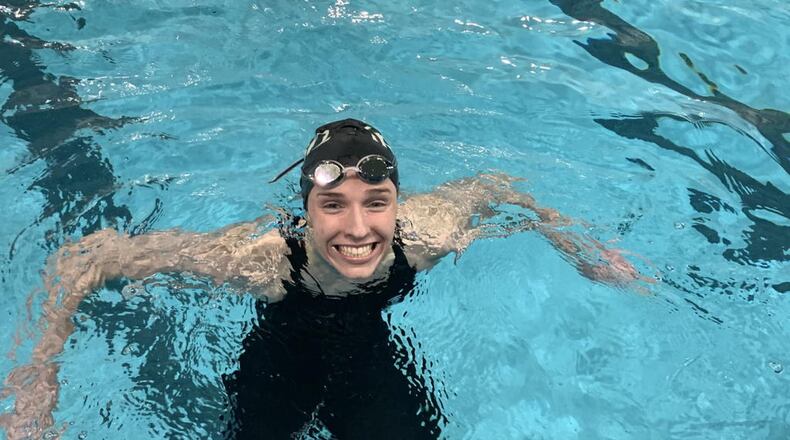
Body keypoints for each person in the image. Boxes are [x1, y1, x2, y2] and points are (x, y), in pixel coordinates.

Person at [0, 119, 645, 439]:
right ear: (306, 211)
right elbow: (87, 259)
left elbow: (501, 188)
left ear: (398, 202)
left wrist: (582, 247)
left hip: (368, 351)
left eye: (377, 202)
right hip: (281, 356)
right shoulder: (262, 260)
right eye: (333, 205)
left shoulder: (426, 237)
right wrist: (37, 378)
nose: (358, 229)